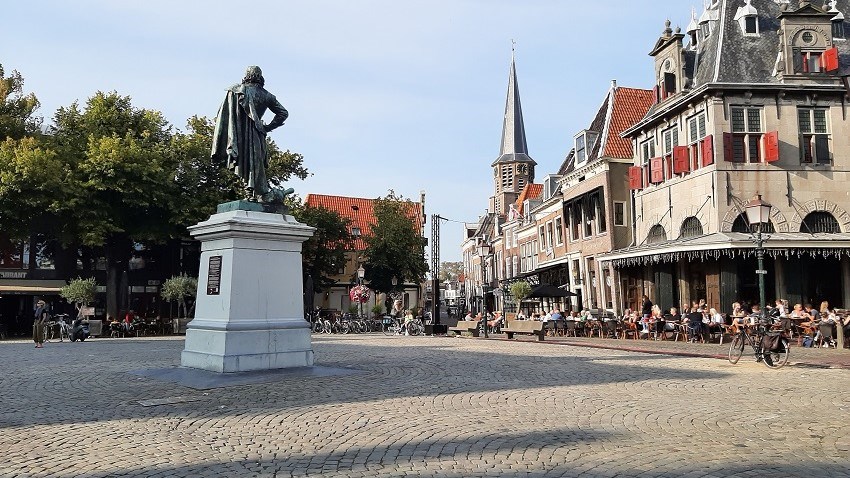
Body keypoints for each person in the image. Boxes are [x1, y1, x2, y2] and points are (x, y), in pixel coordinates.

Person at [212, 66, 289, 201]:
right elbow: (283, 113)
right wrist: (268, 127)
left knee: (244, 161)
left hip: (237, 133)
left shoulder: (236, 91)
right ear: (261, 77)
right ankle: (252, 193)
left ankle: (251, 193)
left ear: (246, 76)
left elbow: (224, 115)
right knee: (255, 162)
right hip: (256, 133)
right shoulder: (267, 96)